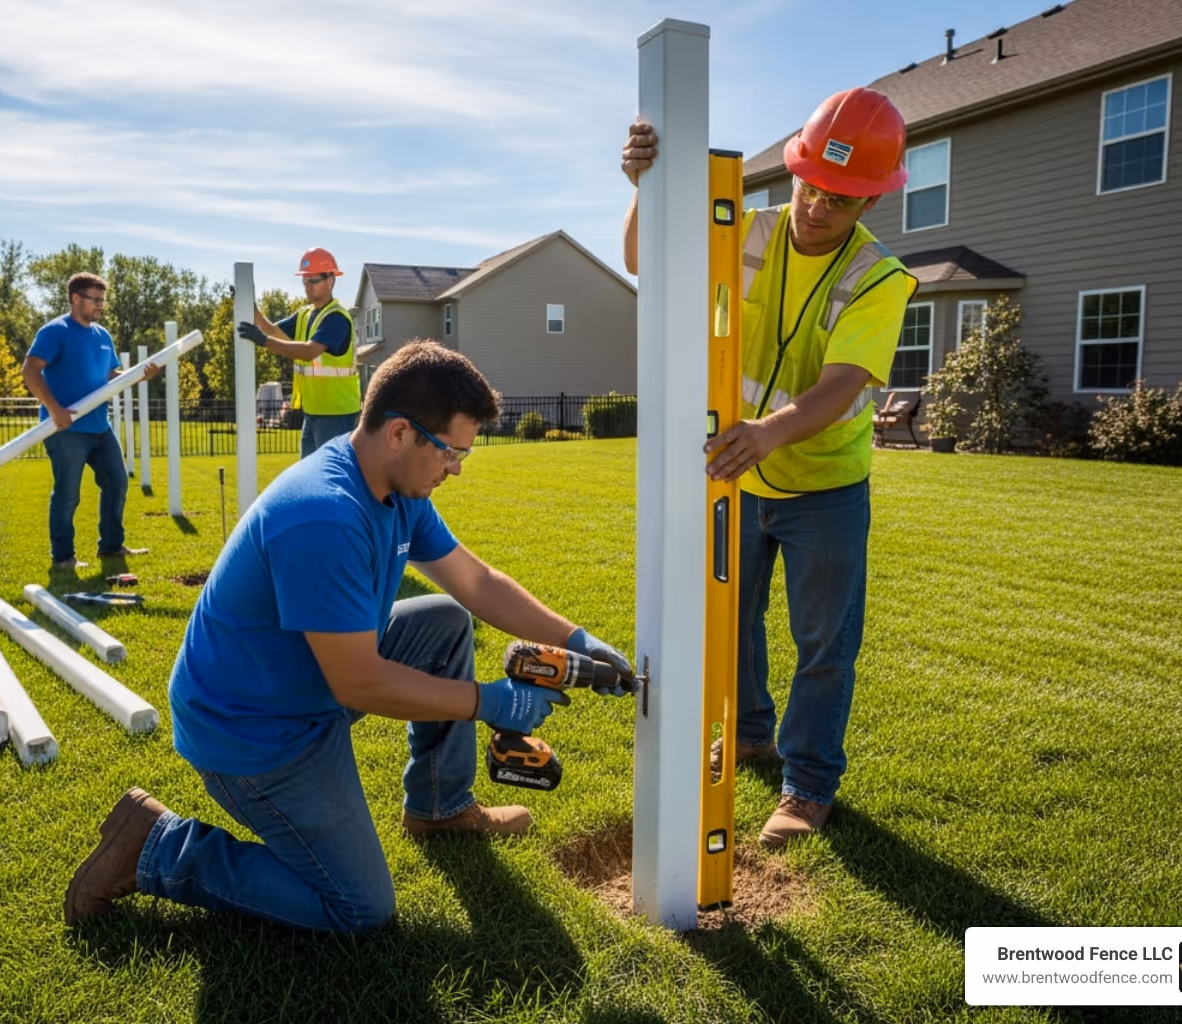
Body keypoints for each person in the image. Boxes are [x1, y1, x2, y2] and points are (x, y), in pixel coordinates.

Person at [64, 341, 633, 932]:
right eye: (452, 452)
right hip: (253, 730)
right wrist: (491, 701)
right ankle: (154, 846)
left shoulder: (394, 488)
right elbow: (360, 681)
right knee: (359, 906)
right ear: (399, 434)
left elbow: (477, 582)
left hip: (299, 686)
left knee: (443, 621)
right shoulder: (325, 514)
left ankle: (439, 807)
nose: (456, 468)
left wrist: (578, 639)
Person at [621, 87, 918, 849]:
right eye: (810, 185)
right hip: (744, 474)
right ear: (793, 171)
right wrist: (643, 193)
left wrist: (767, 432)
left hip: (825, 486)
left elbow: (842, 383)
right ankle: (749, 734)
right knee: (732, 621)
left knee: (824, 644)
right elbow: (642, 262)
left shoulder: (880, 278)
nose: (818, 208)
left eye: (842, 200)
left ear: (870, 203)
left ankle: (807, 784)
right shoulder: (744, 232)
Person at [22, 271, 158, 570]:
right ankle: (63, 558)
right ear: (75, 298)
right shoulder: (55, 331)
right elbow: (30, 371)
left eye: (102, 301)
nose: (100, 306)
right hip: (65, 428)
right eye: (95, 300)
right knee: (68, 494)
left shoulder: (102, 335)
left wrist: (139, 375)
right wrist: (55, 409)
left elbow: (111, 376)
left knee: (117, 482)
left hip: (99, 425)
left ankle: (110, 546)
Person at [238, 248, 361, 458]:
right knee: (310, 474)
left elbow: (309, 352)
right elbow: (272, 329)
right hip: (314, 412)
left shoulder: (336, 318)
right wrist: (250, 305)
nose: (307, 287)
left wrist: (264, 341)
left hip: (336, 413)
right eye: (304, 282)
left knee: (329, 476)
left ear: (330, 280)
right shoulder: (305, 314)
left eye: (312, 281)